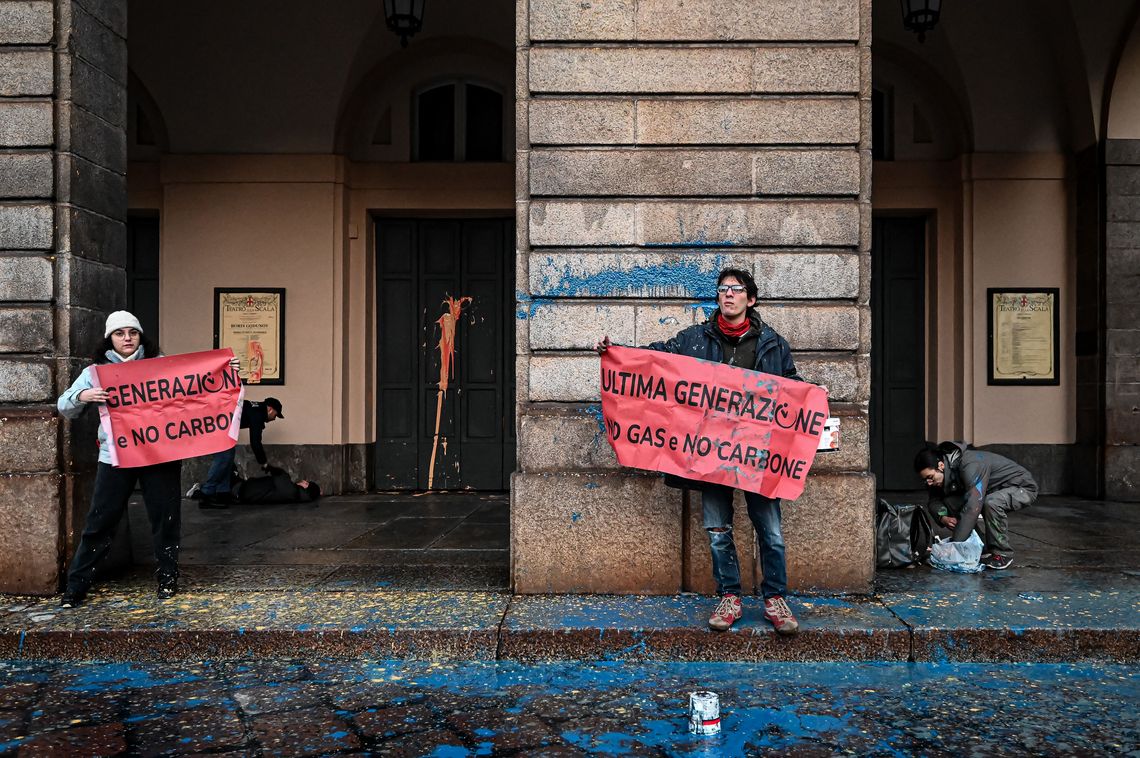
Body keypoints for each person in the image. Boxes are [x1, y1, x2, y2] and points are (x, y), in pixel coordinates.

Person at [596, 267, 810, 634]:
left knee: (770, 531)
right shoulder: (694, 339)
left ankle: (775, 599)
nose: (728, 294)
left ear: (751, 299)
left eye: (736, 289)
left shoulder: (773, 344)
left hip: (758, 457)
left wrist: (811, 401)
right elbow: (656, 360)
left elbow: (792, 389)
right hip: (709, 456)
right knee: (717, 529)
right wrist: (617, 353)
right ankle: (730, 596)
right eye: (723, 289)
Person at [57, 311, 182, 607]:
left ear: (141, 336)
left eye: (132, 333)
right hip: (114, 456)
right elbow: (65, 405)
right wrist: (85, 395)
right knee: (100, 520)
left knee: (165, 519)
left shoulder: (159, 366)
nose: (127, 338)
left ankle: (167, 579)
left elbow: (195, 389)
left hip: (158, 454)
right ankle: (77, 586)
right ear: (109, 339)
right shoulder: (95, 372)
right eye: (120, 333)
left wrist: (227, 370)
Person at [914, 442, 1038, 570]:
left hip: (1022, 488)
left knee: (991, 503)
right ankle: (981, 546)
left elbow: (973, 507)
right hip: (991, 492)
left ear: (941, 466)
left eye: (930, 477)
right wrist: (943, 517)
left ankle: (1002, 554)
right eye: (925, 480)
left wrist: (954, 547)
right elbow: (934, 501)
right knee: (952, 501)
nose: (928, 483)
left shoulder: (970, 464)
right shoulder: (941, 474)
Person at [198, 397, 283, 505]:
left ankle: (222, 494)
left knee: (228, 458)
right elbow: (255, 442)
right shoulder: (258, 413)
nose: (274, 418)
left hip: (221, 427)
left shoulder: (255, 408)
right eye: (276, 415)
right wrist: (264, 463)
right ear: (270, 409)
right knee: (224, 458)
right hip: (217, 426)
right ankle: (206, 494)